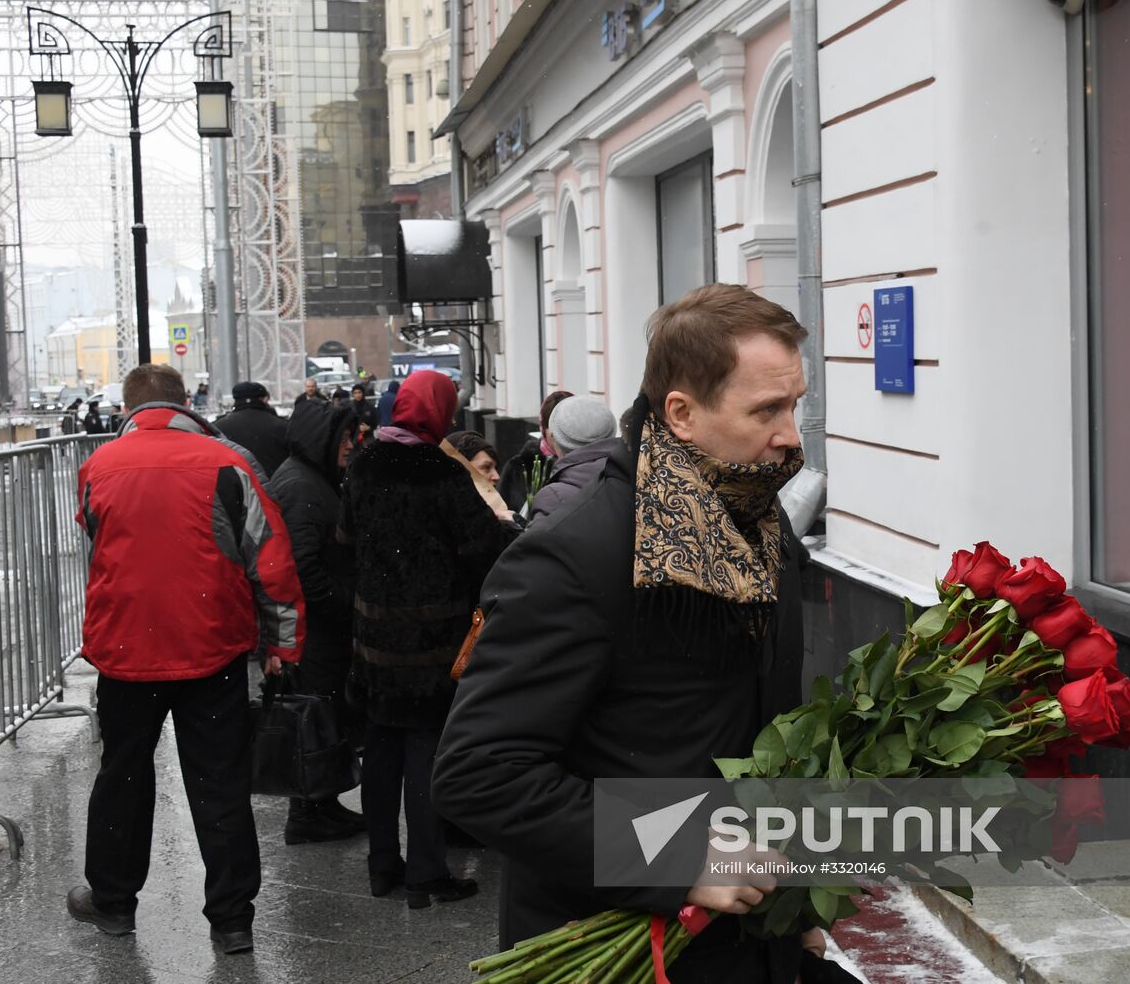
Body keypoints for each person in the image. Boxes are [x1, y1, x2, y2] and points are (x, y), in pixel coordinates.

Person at [433, 285, 821, 981]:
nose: (791, 434)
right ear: (682, 413)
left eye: (794, 405)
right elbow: (481, 775)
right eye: (767, 409)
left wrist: (797, 913)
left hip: (748, 941)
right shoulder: (575, 553)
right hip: (620, 950)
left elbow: (760, 735)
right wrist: (680, 858)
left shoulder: (764, 530)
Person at [67, 363, 305, 956]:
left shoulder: (99, 465)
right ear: (186, 405)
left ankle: (113, 902)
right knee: (219, 782)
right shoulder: (229, 463)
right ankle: (232, 919)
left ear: (129, 410)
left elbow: (96, 537)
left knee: (122, 776)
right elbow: (270, 559)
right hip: (211, 646)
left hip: (125, 650)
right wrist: (282, 644)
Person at [337, 370, 506, 909]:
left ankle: (383, 864)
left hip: (374, 634)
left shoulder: (364, 463)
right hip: (433, 639)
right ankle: (427, 873)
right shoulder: (440, 470)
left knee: (382, 745)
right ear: (438, 412)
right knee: (426, 748)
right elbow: (481, 547)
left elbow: (345, 539)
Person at [269, 399, 366, 843]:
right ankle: (307, 814)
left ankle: (321, 804)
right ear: (321, 440)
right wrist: (346, 605)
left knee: (323, 714)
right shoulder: (301, 487)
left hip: (320, 626)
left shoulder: (311, 478)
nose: (350, 445)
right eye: (343, 437)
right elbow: (304, 568)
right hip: (315, 629)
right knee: (312, 715)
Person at [525, 395, 620, 524]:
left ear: (553, 438)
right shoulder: (640, 474)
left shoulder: (553, 497)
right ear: (613, 431)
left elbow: (540, 537)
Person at [498, 390, 574, 512]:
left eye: (568, 428)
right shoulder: (519, 468)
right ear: (543, 428)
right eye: (555, 430)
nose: (561, 437)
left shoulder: (589, 464)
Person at [213, 381, 291, 478]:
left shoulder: (218, 427)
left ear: (235, 399)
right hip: (274, 482)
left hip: (236, 483)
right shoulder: (282, 426)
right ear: (263, 399)